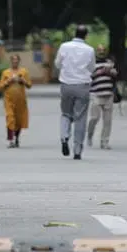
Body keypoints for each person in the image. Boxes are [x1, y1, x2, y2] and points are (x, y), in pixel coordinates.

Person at [54, 25, 96, 159]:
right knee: (80, 118)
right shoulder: (89, 50)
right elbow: (92, 68)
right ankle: (77, 149)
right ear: (86, 35)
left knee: (66, 113)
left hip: (66, 84)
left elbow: (58, 64)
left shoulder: (64, 46)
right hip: (82, 85)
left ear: (75, 33)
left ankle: (64, 137)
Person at [86, 45, 118, 150]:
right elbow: (88, 76)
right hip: (96, 93)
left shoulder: (110, 63)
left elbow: (116, 75)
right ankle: (89, 135)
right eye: (99, 50)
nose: (101, 52)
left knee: (107, 120)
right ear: (96, 52)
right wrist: (99, 72)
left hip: (108, 93)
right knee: (94, 117)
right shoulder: (92, 63)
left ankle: (104, 141)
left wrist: (112, 72)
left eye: (103, 50)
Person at [0, 53, 32, 147]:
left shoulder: (23, 72)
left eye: (16, 60)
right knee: (10, 118)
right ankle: (11, 140)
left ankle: (16, 138)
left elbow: (29, 85)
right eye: (13, 60)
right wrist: (8, 81)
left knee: (19, 121)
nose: (15, 62)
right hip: (9, 99)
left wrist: (23, 81)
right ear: (11, 61)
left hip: (20, 100)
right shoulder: (6, 73)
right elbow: (0, 86)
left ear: (19, 61)